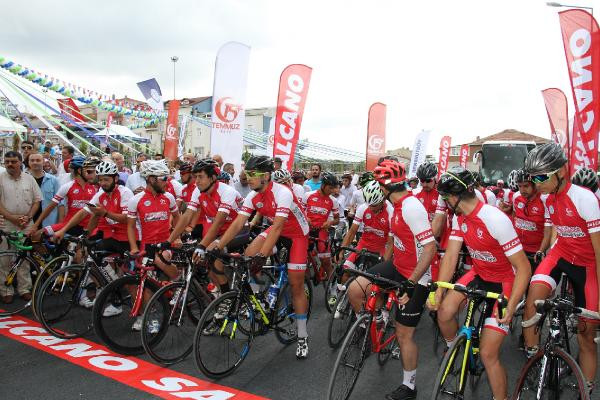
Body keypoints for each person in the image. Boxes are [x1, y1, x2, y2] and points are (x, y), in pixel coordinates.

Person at [429, 166, 531, 400]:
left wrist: (512, 305)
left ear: (454, 197)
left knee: (488, 354)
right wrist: (439, 290)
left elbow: (524, 268)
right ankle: (455, 349)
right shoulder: (459, 217)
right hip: (479, 274)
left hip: (504, 282)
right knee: (444, 313)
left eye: (445, 198)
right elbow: (451, 256)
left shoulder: (494, 219)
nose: (445, 202)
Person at [346, 159, 435, 400]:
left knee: (405, 335)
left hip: (417, 275)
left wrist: (411, 282)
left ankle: (409, 386)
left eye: (378, 184)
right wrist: (382, 266)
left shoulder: (411, 207)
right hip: (397, 266)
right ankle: (374, 322)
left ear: (385, 187)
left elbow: (430, 248)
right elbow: (395, 242)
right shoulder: (395, 206)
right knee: (355, 289)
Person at [208, 156, 311, 359]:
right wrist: (219, 245)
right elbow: (238, 223)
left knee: (296, 285)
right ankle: (259, 301)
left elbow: (278, 227)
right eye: (247, 174)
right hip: (277, 230)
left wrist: (263, 255)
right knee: (248, 256)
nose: (248, 178)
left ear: (265, 175)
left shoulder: (283, 192)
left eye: (252, 174)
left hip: (297, 235)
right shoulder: (253, 195)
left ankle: (302, 335)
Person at [521, 143, 600, 396]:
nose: (536, 184)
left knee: (586, 335)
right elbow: (559, 230)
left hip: (587, 264)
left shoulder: (585, 199)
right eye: (533, 178)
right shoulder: (547, 197)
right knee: (533, 299)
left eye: (541, 177)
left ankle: (586, 388)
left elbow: (599, 250)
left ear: (562, 171)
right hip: (561, 254)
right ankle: (534, 359)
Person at [168, 158, 243, 293]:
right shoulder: (199, 191)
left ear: (213, 178)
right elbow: (186, 216)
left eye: (200, 177)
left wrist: (202, 246)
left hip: (238, 230)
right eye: (195, 176)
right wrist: (169, 240)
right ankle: (219, 292)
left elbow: (218, 222)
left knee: (213, 258)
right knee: (206, 264)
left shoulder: (227, 191)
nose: (196, 181)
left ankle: (227, 297)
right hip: (220, 231)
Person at [334, 180, 393, 302]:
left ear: (383, 200)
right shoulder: (363, 208)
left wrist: (384, 262)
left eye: (374, 205)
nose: (371, 208)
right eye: (369, 204)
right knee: (344, 271)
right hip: (363, 245)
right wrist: (341, 250)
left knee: (379, 285)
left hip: (381, 248)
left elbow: (391, 242)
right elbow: (351, 232)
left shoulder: (391, 212)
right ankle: (344, 300)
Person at [0, 151, 42, 303]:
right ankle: (6, 290)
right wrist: (12, 218)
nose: (10, 164)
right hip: (6, 223)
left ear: (20, 163)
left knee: (24, 258)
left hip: (26, 223)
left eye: (13, 161)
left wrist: (28, 217)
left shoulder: (29, 179)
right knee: (4, 259)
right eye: (7, 162)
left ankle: (24, 289)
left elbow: (37, 201)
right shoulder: (0, 178)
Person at [32, 156, 97, 239]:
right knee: (37, 235)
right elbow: (50, 207)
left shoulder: (94, 188)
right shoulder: (67, 186)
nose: (91, 174)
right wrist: (36, 225)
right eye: (88, 171)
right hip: (69, 224)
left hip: (88, 227)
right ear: (79, 171)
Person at [304, 172, 340, 288]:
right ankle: (306, 286)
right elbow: (299, 211)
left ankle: (333, 289)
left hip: (321, 231)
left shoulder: (333, 201)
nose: (332, 191)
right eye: (330, 188)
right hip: (307, 230)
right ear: (323, 185)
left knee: (326, 261)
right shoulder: (308, 195)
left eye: (334, 188)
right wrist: (305, 218)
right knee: (304, 260)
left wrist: (330, 222)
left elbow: (337, 219)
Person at [27, 153, 63, 227]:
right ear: (28, 162)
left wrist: (60, 225)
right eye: (32, 160)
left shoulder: (53, 180)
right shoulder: (24, 180)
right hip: (28, 221)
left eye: (38, 160)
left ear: (43, 162)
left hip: (48, 222)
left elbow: (61, 203)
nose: (35, 162)